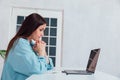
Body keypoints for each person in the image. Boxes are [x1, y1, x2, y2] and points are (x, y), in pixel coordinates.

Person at [1, 13, 54, 80]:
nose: (42, 34)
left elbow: (49, 68)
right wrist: (41, 53)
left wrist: (43, 52)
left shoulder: (30, 44)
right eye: (40, 30)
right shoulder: (20, 44)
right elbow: (38, 71)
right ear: (31, 28)